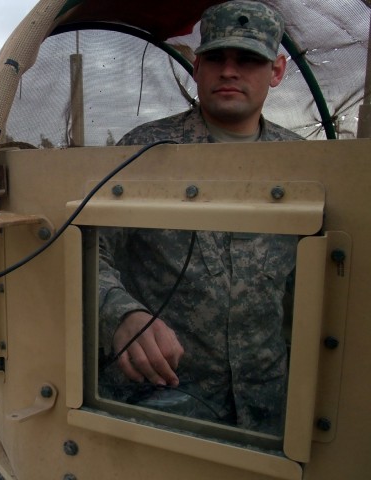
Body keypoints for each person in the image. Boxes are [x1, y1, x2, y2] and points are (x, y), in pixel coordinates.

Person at [98, 0, 303, 435]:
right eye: (216, 58)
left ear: (278, 71)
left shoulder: (302, 162)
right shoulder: (147, 150)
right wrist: (120, 314)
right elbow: (86, 248)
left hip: (268, 410)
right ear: (197, 67)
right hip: (164, 404)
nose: (230, 71)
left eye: (249, 59)